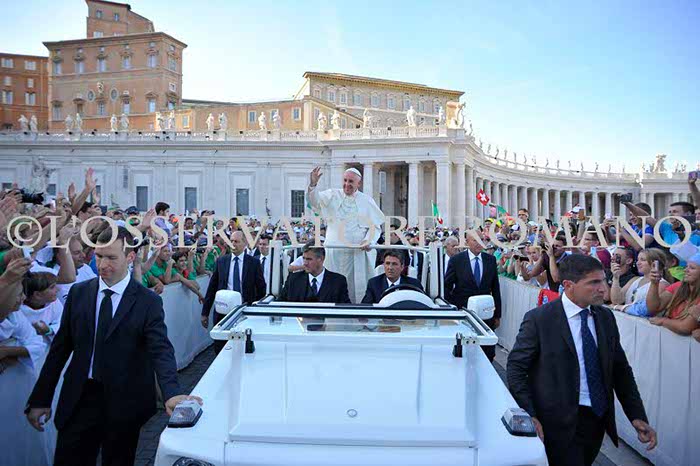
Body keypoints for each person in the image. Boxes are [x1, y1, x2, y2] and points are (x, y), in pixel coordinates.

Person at [25, 227, 201, 466]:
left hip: (124, 402)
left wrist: (171, 393)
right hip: (79, 398)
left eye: (111, 257)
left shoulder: (147, 301)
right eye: (99, 256)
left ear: (130, 257)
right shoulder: (79, 293)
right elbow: (60, 349)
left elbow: (160, 349)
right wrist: (41, 398)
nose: (102, 264)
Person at [507, 254, 656, 466]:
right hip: (554, 423)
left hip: (596, 420)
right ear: (569, 285)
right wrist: (529, 414)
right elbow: (516, 368)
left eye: (603, 281)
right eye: (594, 282)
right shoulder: (540, 319)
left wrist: (636, 415)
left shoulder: (605, 317)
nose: (603, 289)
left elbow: (620, 370)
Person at [307, 166, 385, 303]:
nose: (347, 184)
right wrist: (313, 185)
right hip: (334, 253)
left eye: (351, 181)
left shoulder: (367, 201)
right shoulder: (332, 195)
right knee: (331, 289)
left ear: (358, 184)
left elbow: (375, 227)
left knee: (355, 291)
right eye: (345, 180)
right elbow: (314, 202)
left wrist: (368, 240)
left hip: (356, 254)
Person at [200, 231, 266, 351]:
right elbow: (212, 288)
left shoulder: (253, 263)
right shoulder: (221, 261)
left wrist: (256, 310)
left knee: (243, 346)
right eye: (231, 241)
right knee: (220, 346)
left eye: (236, 241)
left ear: (244, 243)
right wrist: (205, 312)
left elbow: (261, 288)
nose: (233, 244)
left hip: (245, 312)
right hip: (223, 312)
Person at [444, 233, 502, 361]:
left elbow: (495, 288)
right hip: (463, 314)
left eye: (481, 240)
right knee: (465, 350)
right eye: (475, 240)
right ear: (467, 242)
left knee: (487, 351)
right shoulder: (457, 260)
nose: (479, 243)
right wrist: (453, 309)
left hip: (486, 315)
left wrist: (497, 315)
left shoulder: (490, 260)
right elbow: (447, 287)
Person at [646, 251, 700, 335]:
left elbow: (685, 327)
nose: (685, 270)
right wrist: (654, 283)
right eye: (686, 266)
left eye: (692, 268)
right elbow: (654, 308)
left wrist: (663, 321)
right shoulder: (678, 286)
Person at [279, 242, 350, 304]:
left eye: (309, 259)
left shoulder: (338, 282)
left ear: (321, 259)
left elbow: (345, 308)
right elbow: (280, 304)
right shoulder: (293, 280)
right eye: (303, 258)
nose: (305, 263)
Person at [610, 248, 668, 317]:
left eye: (642, 260)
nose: (638, 263)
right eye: (638, 259)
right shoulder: (634, 279)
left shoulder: (662, 284)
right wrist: (616, 278)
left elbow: (646, 310)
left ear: (654, 264)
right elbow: (617, 300)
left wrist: (619, 307)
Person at [21, 272, 64, 347]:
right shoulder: (18, 309)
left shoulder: (54, 302)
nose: (58, 289)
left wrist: (49, 330)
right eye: (52, 287)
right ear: (37, 295)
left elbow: (63, 323)